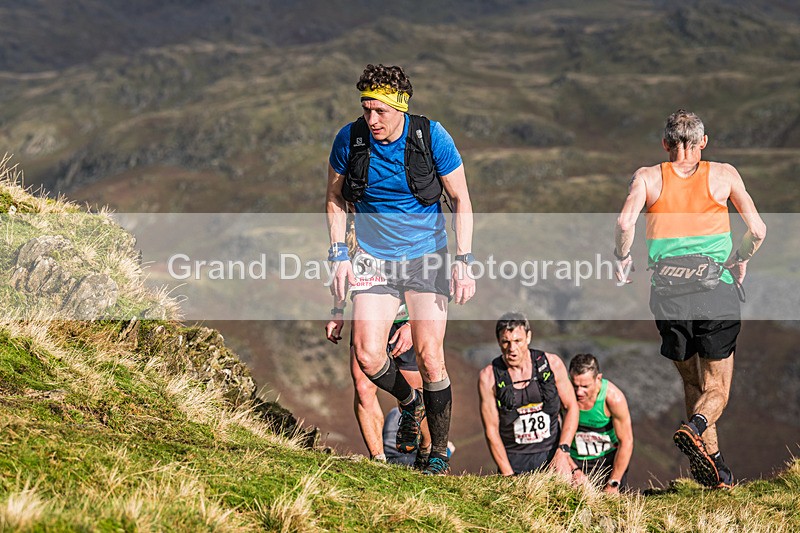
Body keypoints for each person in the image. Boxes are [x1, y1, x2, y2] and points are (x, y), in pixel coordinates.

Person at [326, 64, 476, 475]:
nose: (371, 119)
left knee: (430, 358)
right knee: (368, 355)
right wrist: (339, 254)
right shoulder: (350, 139)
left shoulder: (430, 137)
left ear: (400, 108)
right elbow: (335, 198)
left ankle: (438, 454)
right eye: (366, 109)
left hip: (427, 256)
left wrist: (463, 262)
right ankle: (410, 404)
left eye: (380, 112)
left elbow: (461, 199)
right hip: (373, 259)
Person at [614, 109, 766, 489]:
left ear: (666, 144)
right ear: (703, 142)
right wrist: (740, 259)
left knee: (692, 383)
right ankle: (697, 427)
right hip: (715, 289)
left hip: (667, 294)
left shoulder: (647, 177)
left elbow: (623, 223)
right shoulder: (724, 174)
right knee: (717, 388)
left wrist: (622, 258)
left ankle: (716, 470)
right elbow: (758, 229)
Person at [326, 301, 432, 469]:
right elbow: (342, 275)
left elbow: (430, 280)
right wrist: (337, 313)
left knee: (412, 397)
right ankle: (378, 461)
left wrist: (412, 324)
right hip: (368, 314)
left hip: (405, 319)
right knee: (363, 388)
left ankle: (427, 452)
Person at [478, 312, 579, 477]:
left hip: (553, 455)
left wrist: (563, 451)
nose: (512, 349)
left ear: (528, 337)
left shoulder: (551, 364)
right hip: (514, 460)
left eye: (518, 341)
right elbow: (491, 430)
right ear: (498, 341)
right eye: (506, 342)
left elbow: (571, 406)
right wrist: (508, 474)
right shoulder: (488, 377)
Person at [567, 353, 633, 494]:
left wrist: (613, 483)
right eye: (575, 385)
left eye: (585, 386)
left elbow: (626, 442)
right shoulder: (564, 392)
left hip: (606, 461)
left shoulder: (613, 398)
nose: (579, 392)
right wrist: (573, 469)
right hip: (574, 459)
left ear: (598, 378)